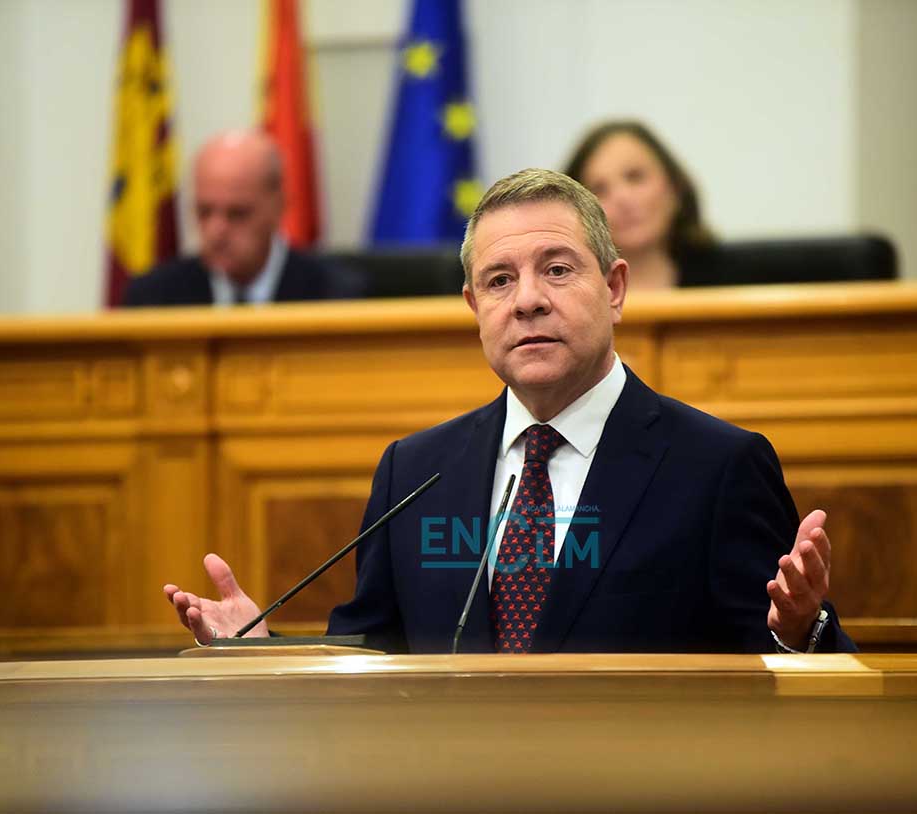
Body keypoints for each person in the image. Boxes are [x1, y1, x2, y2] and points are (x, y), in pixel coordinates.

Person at [166, 168, 855, 655]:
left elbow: (790, 685)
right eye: (499, 280)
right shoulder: (414, 471)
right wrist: (263, 649)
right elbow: (370, 657)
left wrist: (799, 630)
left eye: (557, 270)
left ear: (614, 288)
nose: (527, 301)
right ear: (475, 308)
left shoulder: (717, 466)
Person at [124, 130, 365, 306]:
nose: (216, 231)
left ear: (279, 207)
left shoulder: (336, 297)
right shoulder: (153, 298)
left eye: (237, 214)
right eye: (204, 212)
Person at [563, 121, 715, 289]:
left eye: (635, 177)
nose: (623, 199)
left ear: (674, 186)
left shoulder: (735, 277)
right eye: (599, 189)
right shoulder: (563, 292)